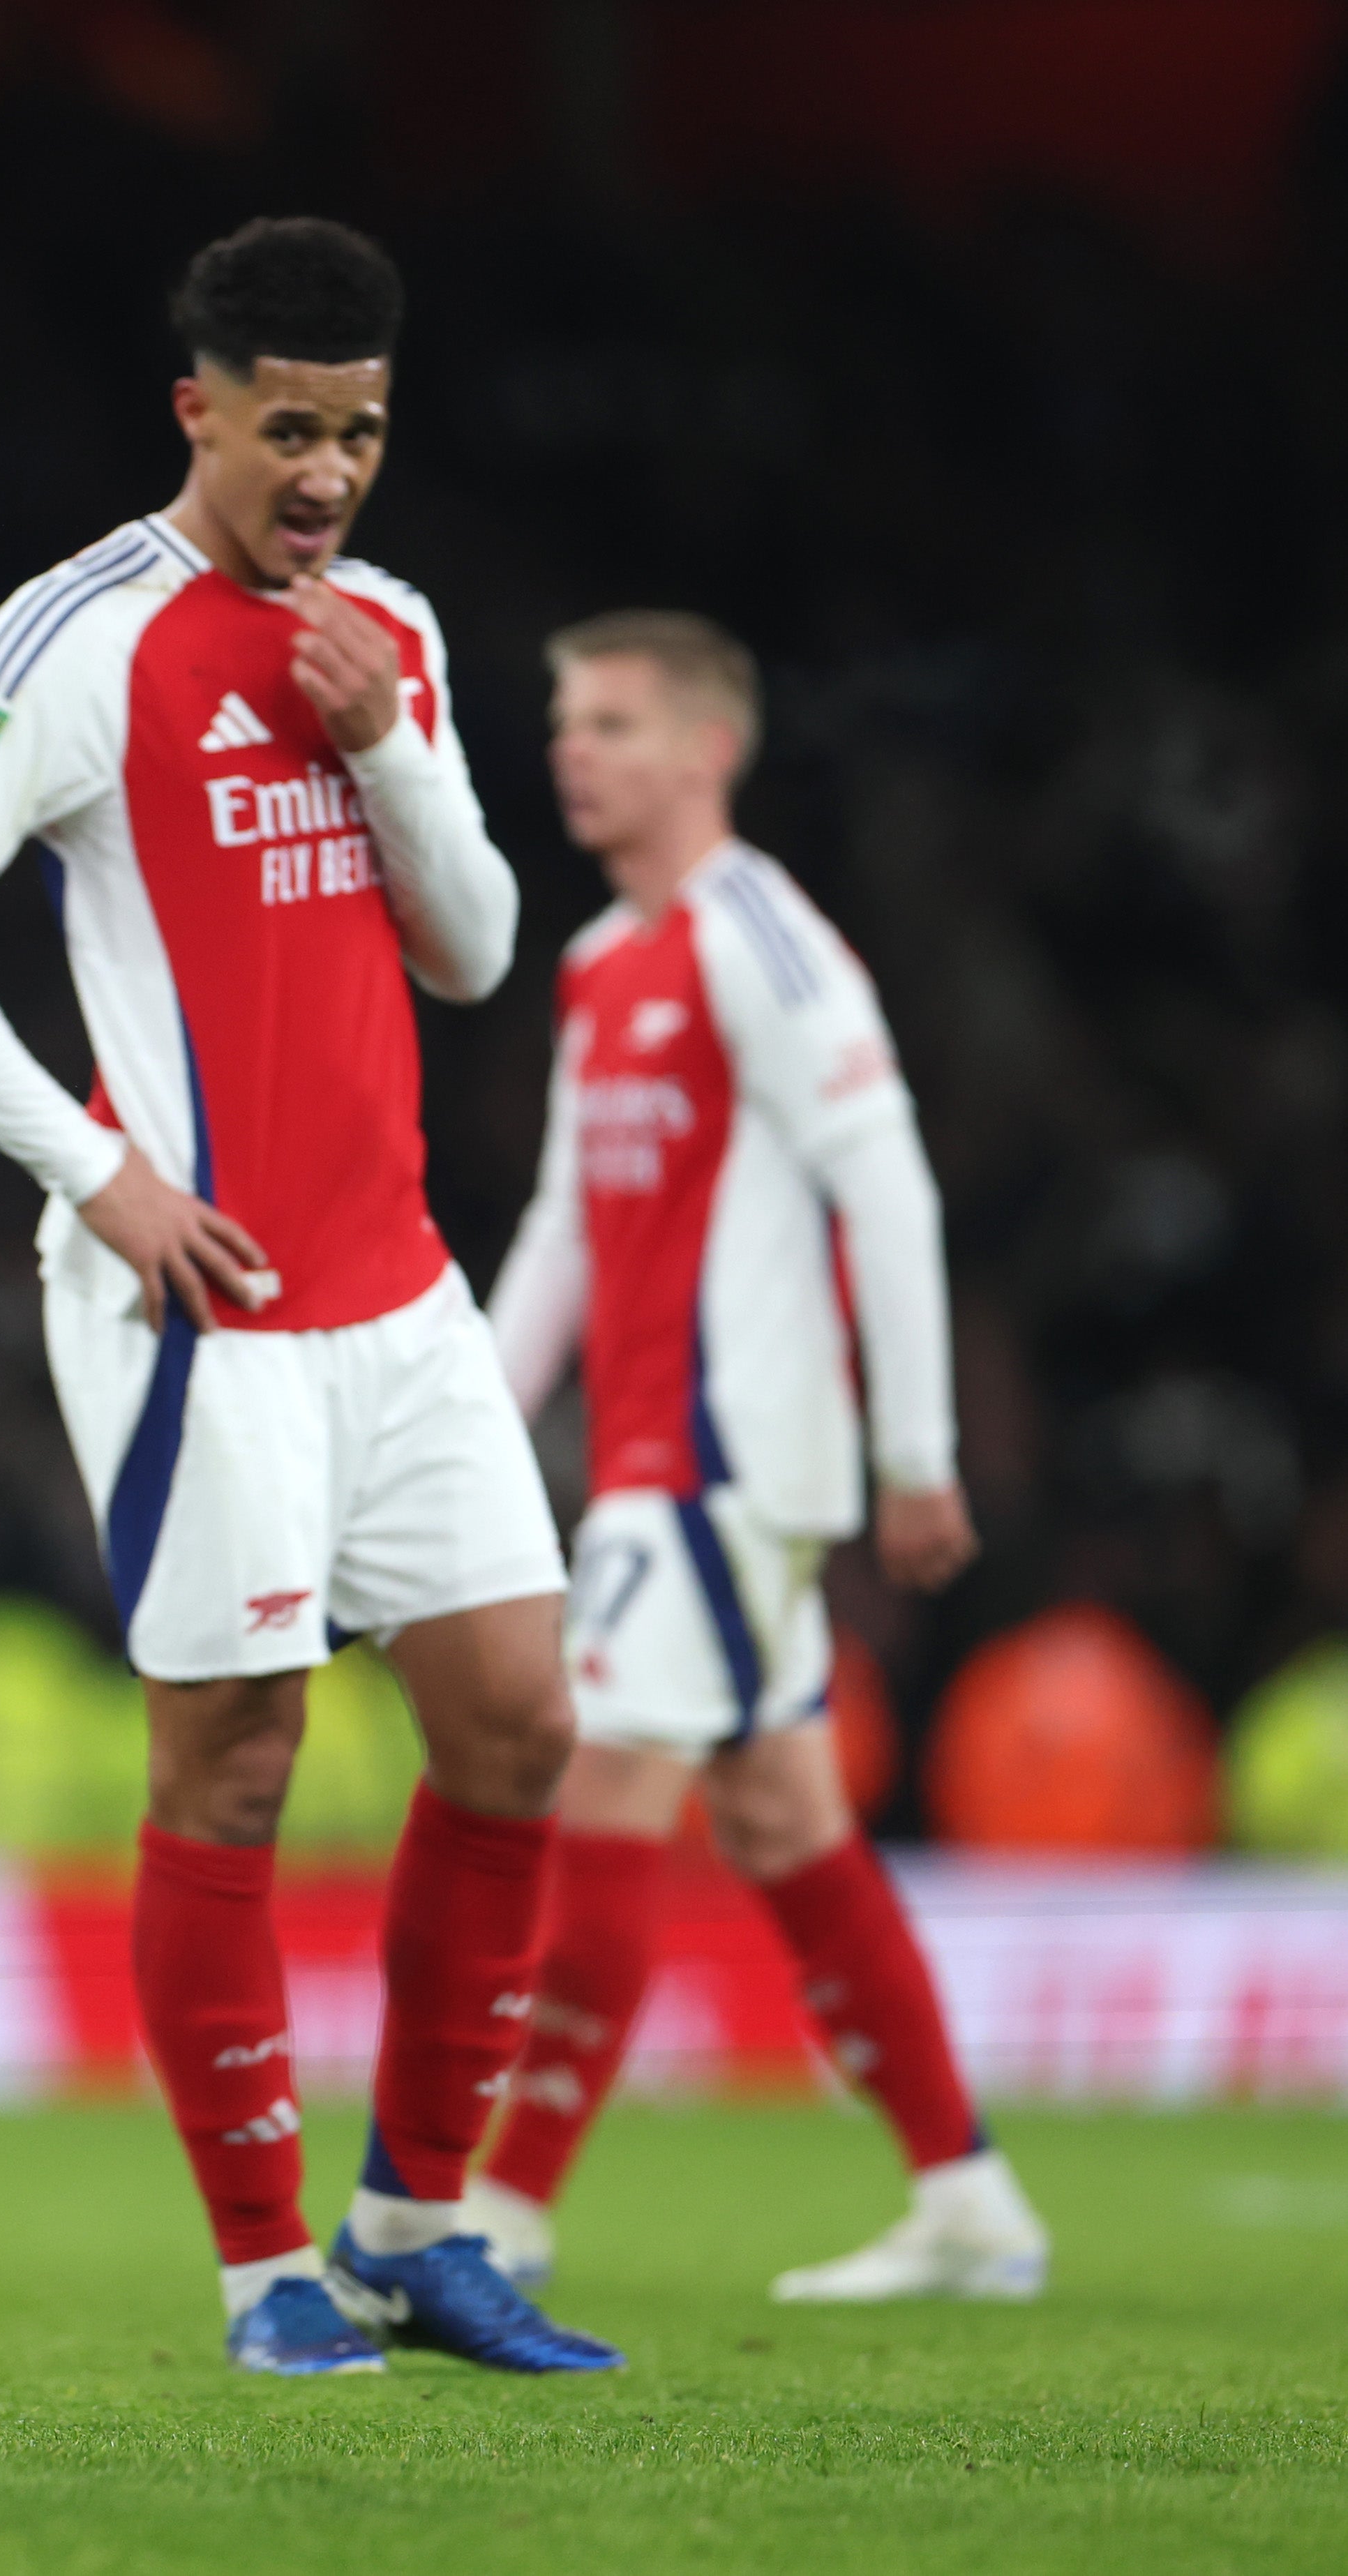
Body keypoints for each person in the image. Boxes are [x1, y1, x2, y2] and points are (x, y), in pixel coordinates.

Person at [0, 218, 614, 2377]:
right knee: (235, 1757)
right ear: (196, 408)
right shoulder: (84, 637)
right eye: (287, 428)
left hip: (394, 1282)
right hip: (200, 1312)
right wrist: (95, 1175)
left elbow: (465, 951)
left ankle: (410, 2225)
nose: (326, 473)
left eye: (358, 430)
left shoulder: (390, 633)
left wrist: (390, 744)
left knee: (518, 1723)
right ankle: (264, 2265)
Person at [468, 613, 1047, 2300]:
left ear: (707, 750)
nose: (576, 749)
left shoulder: (763, 941)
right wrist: (474, 1432)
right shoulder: (595, 965)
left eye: (616, 722)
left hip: (722, 1467)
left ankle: (498, 2209)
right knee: (788, 1822)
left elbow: (890, 1185)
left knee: (604, 1796)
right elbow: (565, 1225)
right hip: (656, 1460)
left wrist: (914, 1452)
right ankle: (965, 2193)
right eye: (568, 719)